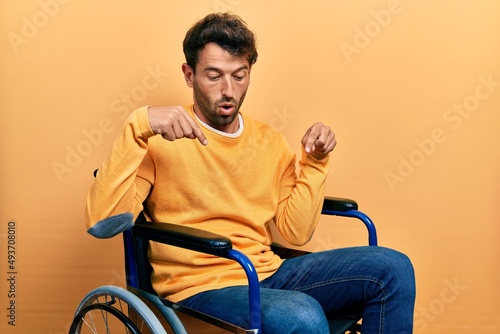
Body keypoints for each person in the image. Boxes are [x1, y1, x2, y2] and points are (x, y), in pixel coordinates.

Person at [85, 12, 415, 333]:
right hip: (200, 285)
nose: (228, 90)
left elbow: (296, 233)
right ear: (189, 75)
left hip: (267, 272)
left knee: (393, 268)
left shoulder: (269, 142)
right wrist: (137, 125)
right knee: (300, 316)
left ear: (249, 73)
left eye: (238, 75)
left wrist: (315, 161)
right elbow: (102, 223)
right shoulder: (159, 141)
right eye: (213, 76)